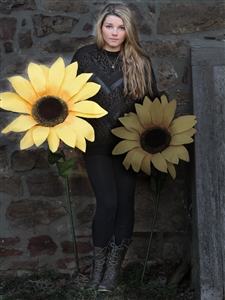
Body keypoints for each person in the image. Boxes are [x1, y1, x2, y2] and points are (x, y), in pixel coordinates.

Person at [71, 3, 160, 292]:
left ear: (128, 30)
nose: (114, 32)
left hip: (128, 145)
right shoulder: (84, 57)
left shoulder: (141, 61)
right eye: (109, 26)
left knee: (125, 204)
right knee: (107, 203)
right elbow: (67, 97)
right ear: (101, 27)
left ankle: (112, 272)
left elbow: (153, 103)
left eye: (120, 27)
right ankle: (97, 269)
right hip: (94, 143)